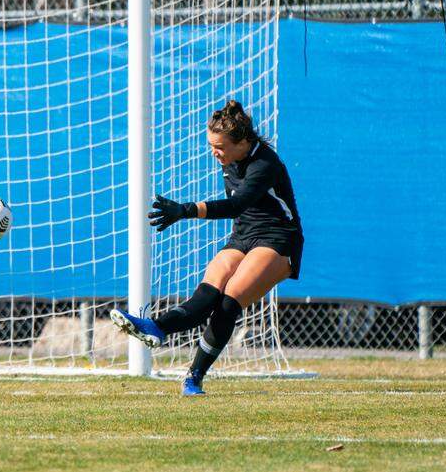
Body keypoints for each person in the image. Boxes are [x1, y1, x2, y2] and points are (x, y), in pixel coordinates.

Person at [110, 100, 303, 396]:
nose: (215, 153)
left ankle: (194, 377)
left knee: (228, 302)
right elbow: (241, 212)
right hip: (243, 236)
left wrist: (186, 210)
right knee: (207, 295)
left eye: (220, 147)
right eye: (212, 145)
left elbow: (237, 204)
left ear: (243, 142)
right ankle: (155, 327)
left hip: (278, 238)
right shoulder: (229, 161)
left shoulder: (265, 163)